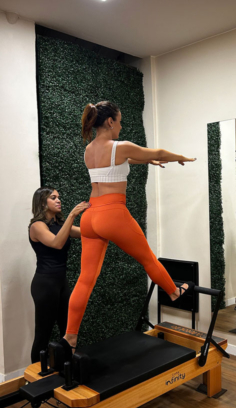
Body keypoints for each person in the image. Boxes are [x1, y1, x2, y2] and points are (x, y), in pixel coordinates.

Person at [62, 101, 196, 353]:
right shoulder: (120, 147)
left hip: (90, 216)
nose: (121, 126)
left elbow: (113, 166)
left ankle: (70, 337)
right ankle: (174, 292)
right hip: (113, 213)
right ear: (110, 121)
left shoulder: (89, 149)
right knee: (147, 259)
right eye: (120, 121)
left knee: (85, 279)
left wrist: (145, 162)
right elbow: (158, 152)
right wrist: (181, 157)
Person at [28, 187, 90, 363]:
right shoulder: (37, 226)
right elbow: (56, 243)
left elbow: (87, 233)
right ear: (42, 203)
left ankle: (66, 368)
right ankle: (36, 375)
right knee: (43, 333)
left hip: (61, 282)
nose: (58, 200)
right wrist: (72, 216)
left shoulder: (60, 225)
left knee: (67, 329)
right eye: (53, 197)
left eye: (58, 197)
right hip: (45, 285)